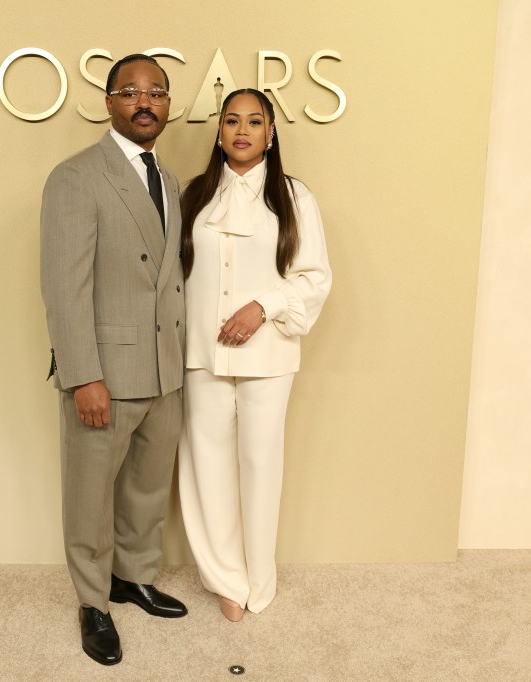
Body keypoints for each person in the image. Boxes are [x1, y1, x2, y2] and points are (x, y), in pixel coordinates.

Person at [39, 54, 187, 666]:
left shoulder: (169, 179)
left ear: (168, 104)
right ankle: (93, 601)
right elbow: (63, 285)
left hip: (164, 369)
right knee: (90, 493)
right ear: (109, 102)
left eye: (156, 91)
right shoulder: (76, 177)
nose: (144, 101)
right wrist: (83, 376)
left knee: (149, 488)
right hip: (104, 373)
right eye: (130, 91)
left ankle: (133, 577)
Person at [177, 88, 332, 622]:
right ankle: (224, 578)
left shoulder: (293, 197)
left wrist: (261, 306)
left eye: (255, 121)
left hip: (269, 356)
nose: (242, 130)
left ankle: (258, 579)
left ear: (271, 132)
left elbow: (314, 277)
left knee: (261, 466)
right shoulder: (194, 195)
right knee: (207, 468)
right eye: (231, 120)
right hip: (201, 354)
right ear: (219, 132)